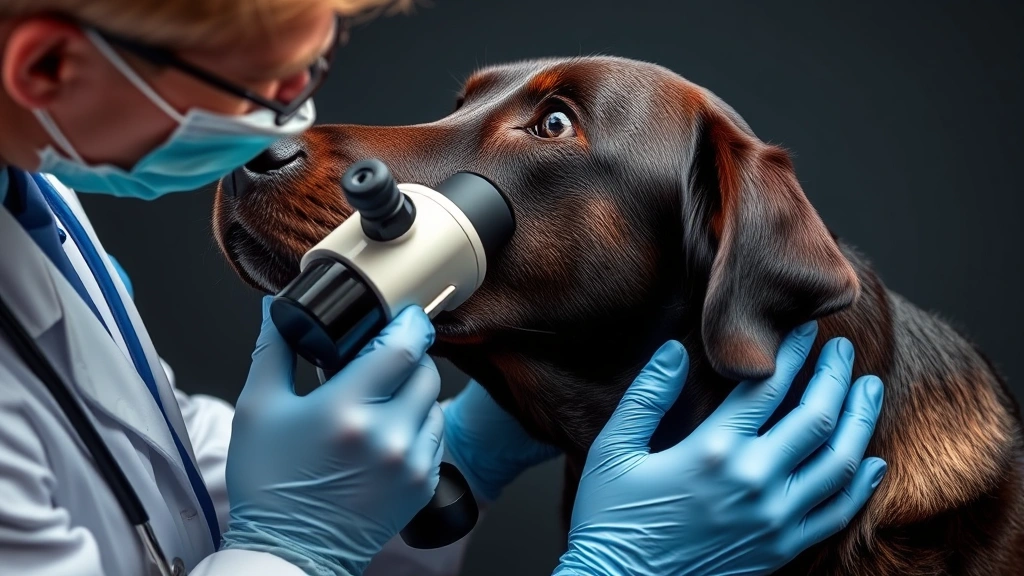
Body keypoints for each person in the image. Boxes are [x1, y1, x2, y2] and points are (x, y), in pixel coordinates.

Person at [0, 1, 889, 575]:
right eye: (248, 83)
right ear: (45, 71)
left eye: (303, 74)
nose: (283, 124)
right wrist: (614, 570)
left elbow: (153, 474)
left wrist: (453, 454)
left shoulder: (30, 199)